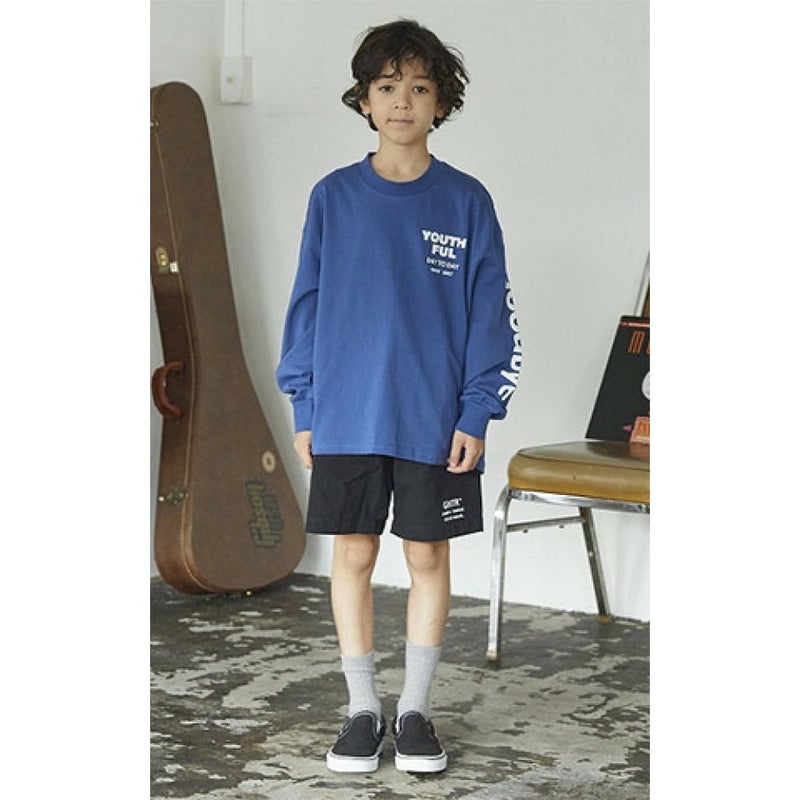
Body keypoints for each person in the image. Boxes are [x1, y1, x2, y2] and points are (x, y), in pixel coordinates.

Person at [276, 18, 521, 774]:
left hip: (434, 422)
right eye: (387, 87)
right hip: (347, 415)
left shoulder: (468, 202)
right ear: (364, 100)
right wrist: (305, 406)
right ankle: (361, 710)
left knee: (427, 556)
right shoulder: (333, 198)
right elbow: (306, 306)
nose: (403, 101)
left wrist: (476, 411)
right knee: (352, 554)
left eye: (419, 87)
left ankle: (414, 712)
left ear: (442, 102)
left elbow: (492, 317)